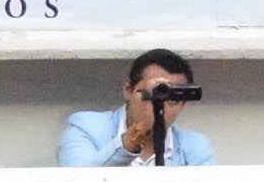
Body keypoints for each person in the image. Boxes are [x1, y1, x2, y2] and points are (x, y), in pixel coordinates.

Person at [57, 49, 215, 168]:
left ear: (183, 104)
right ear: (128, 90)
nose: (160, 104)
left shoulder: (194, 146)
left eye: (172, 98)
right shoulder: (87, 128)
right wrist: (130, 141)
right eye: (151, 94)